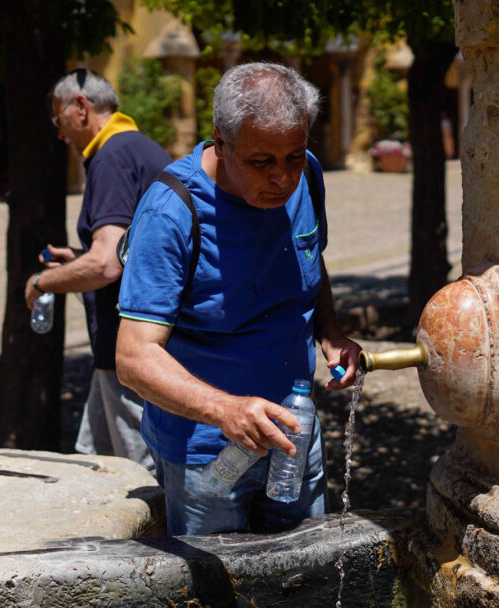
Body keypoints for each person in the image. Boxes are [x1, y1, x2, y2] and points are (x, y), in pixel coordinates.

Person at [114, 62, 362, 536]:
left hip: (295, 434)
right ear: (221, 143)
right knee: (221, 600)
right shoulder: (171, 212)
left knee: (303, 582)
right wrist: (226, 410)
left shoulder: (306, 175)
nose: (282, 178)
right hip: (207, 457)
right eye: (261, 162)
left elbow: (308, 254)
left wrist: (330, 333)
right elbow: (133, 357)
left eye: (293, 156)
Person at [24, 68, 171, 470]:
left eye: (60, 120)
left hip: (131, 345)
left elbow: (105, 264)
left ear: (81, 107)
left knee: (139, 476)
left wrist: (43, 282)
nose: (60, 133)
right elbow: (126, 251)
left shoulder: (112, 157)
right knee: (94, 464)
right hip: (130, 347)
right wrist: (79, 258)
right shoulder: (139, 148)